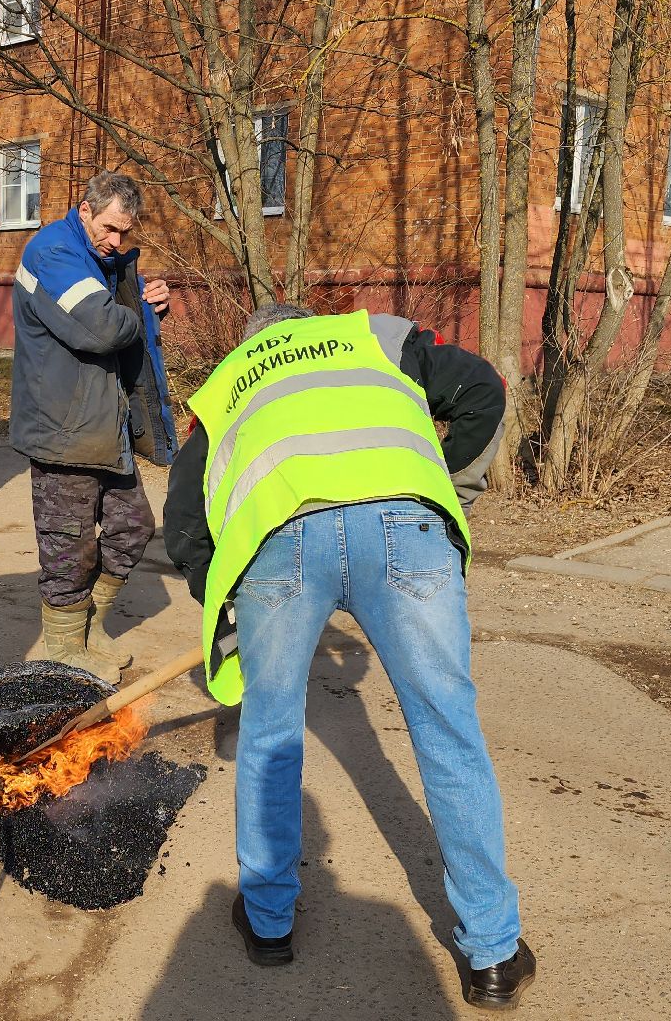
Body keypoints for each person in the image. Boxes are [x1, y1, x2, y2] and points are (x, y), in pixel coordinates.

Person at [163, 304, 534, 1010]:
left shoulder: (228, 383)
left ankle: (269, 925)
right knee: (448, 732)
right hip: (404, 522)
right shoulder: (378, 337)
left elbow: (185, 514)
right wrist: (445, 485)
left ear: (257, 340)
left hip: (282, 539)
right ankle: (491, 954)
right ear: (308, 327)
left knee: (270, 732)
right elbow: (485, 387)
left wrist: (221, 593)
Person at [9, 171, 174, 683]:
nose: (116, 241)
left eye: (126, 233)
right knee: (69, 544)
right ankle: (61, 647)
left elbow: (118, 313)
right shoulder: (54, 253)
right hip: (64, 430)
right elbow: (102, 327)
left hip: (104, 426)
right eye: (108, 228)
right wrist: (140, 310)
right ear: (84, 210)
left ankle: (88, 628)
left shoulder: (101, 259)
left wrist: (150, 299)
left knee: (133, 527)